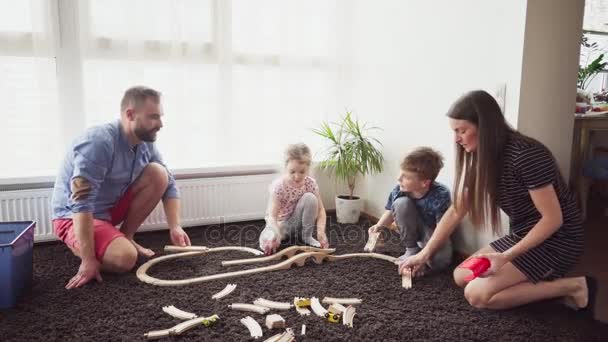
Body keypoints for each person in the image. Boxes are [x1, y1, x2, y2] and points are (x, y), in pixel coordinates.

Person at [399, 90, 590, 311]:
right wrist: (424, 254)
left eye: (462, 130)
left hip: (558, 240)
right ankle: (530, 280)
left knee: (476, 295)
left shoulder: (526, 155)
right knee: (462, 275)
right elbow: (457, 210)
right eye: (454, 131)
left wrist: (505, 257)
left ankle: (573, 286)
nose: (456, 138)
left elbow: (553, 220)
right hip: (522, 235)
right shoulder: (481, 156)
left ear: (486, 127)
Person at [52, 86, 191, 290]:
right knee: (125, 258)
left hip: (108, 209)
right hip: (73, 215)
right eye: (153, 117)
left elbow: (168, 184)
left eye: (160, 117)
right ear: (130, 114)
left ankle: (125, 237)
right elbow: (81, 202)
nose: (160, 124)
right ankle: (83, 248)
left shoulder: (145, 142)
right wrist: (88, 260)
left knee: (159, 173)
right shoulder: (98, 142)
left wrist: (175, 226)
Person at [367, 147, 452, 275]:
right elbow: (390, 211)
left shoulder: (441, 194)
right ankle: (411, 249)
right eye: (400, 173)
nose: (399, 178)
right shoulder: (400, 189)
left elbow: (443, 227)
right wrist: (378, 227)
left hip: (432, 232)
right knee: (401, 203)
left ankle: (420, 253)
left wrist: (425, 254)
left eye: (405, 176)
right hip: (411, 230)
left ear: (424, 182)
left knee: (440, 263)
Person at [259, 143, 329, 255]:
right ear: (285, 167)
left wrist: (321, 232)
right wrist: (275, 234)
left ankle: (306, 237)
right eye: (292, 172)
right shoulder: (279, 186)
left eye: (302, 172)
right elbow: (272, 216)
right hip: (283, 225)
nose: (297, 177)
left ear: (308, 168)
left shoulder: (310, 184)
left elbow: (321, 211)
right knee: (266, 241)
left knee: (310, 198)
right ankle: (276, 239)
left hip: (301, 225)